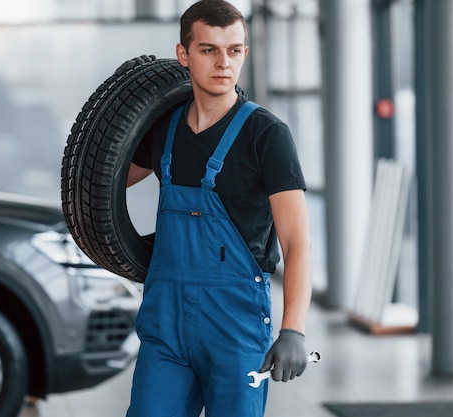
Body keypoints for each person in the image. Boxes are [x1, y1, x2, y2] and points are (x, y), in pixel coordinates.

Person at [125, 1, 312, 416]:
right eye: (209, 49)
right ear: (183, 54)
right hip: (165, 327)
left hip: (235, 327)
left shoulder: (266, 135)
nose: (224, 62)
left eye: (234, 50)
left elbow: (297, 243)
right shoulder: (163, 129)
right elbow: (104, 181)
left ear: (244, 52)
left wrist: (293, 329)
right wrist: (114, 116)